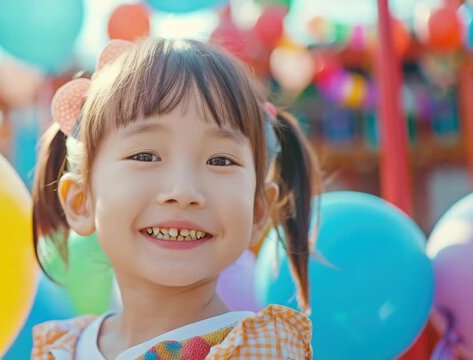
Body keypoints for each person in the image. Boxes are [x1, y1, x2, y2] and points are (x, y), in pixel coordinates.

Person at [31, 38, 321, 360]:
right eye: (145, 155)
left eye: (221, 161)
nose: (183, 191)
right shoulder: (62, 348)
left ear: (256, 211)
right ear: (80, 201)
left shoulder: (260, 351)